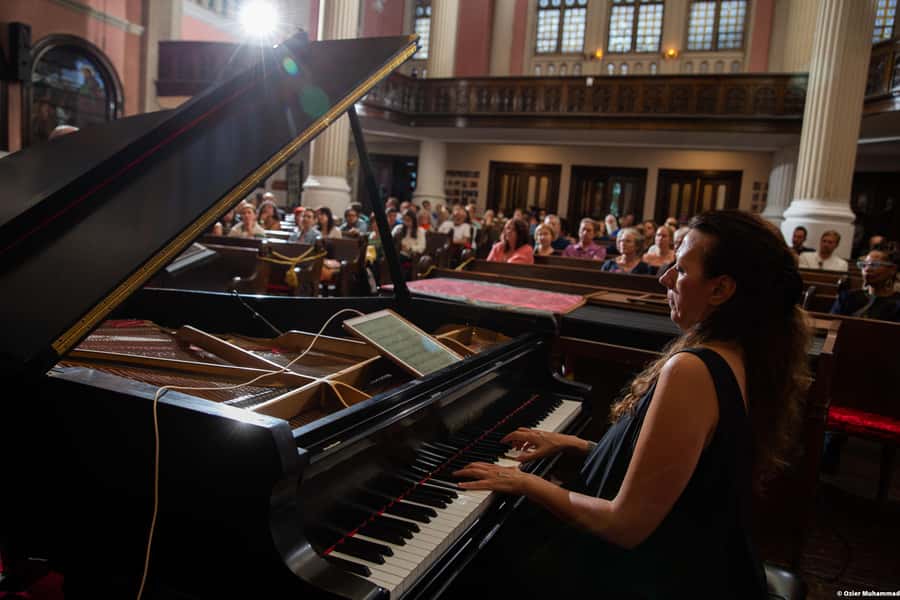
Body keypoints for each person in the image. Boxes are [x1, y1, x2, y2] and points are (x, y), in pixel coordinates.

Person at [454, 210, 808, 598]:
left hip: (655, 577)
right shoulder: (745, 354)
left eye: (682, 270)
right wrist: (573, 444)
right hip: (693, 551)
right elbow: (669, 472)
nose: (665, 278)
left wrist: (524, 482)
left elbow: (626, 524)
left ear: (721, 289)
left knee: (478, 568)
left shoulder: (693, 370)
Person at [830, 245, 900, 321]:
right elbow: (830, 324)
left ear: (892, 270)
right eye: (864, 265)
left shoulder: (897, 304)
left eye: (874, 265)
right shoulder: (848, 297)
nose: (867, 269)